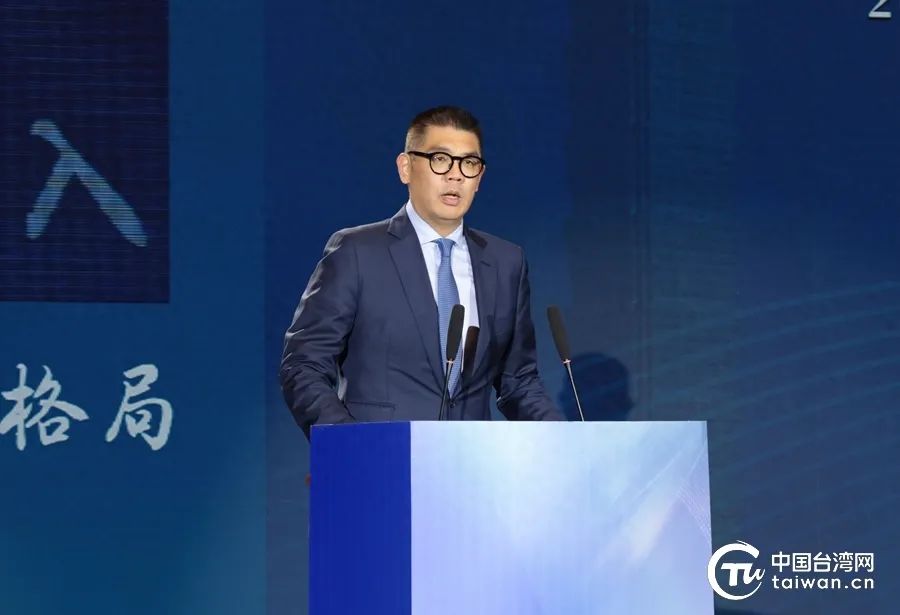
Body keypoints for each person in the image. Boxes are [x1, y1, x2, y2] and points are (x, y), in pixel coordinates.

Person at [280, 106, 562, 437]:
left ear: (480, 178)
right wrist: (351, 445)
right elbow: (304, 366)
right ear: (405, 168)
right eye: (440, 159)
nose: (455, 175)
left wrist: (566, 442)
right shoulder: (357, 252)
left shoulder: (506, 262)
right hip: (380, 457)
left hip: (472, 461)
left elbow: (519, 383)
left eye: (469, 163)